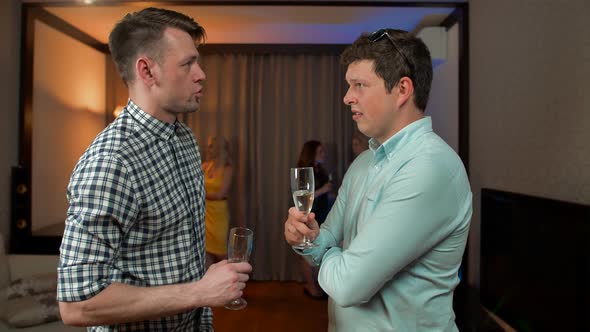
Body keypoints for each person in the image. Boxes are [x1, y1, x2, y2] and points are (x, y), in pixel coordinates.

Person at [57, 8, 251, 331]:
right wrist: (199, 292)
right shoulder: (112, 162)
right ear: (147, 71)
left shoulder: (185, 138)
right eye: (188, 64)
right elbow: (77, 305)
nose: (201, 74)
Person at [284, 28, 472, 331]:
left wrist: (324, 250)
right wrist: (306, 239)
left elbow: (347, 285)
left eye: (359, 85)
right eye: (349, 86)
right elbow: (327, 240)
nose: (347, 98)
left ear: (402, 90)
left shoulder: (430, 167)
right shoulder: (363, 163)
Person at [296, 140, 333, 298]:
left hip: (323, 214)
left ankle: (318, 285)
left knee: (320, 251)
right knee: (307, 253)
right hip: (309, 215)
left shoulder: (320, 170)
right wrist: (324, 189)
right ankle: (310, 287)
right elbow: (302, 198)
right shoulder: (304, 171)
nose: (324, 154)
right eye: (320, 152)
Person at [203, 136, 233, 268]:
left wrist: (200, 194)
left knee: (221, 252)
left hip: (219, 214)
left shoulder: (227, 168)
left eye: (211, 146)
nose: (208, 149)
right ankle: (212, 286)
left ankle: (233, 283)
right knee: (206, 251)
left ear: (219, 148)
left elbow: (220, 194)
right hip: (205, 213)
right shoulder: (204, 166)